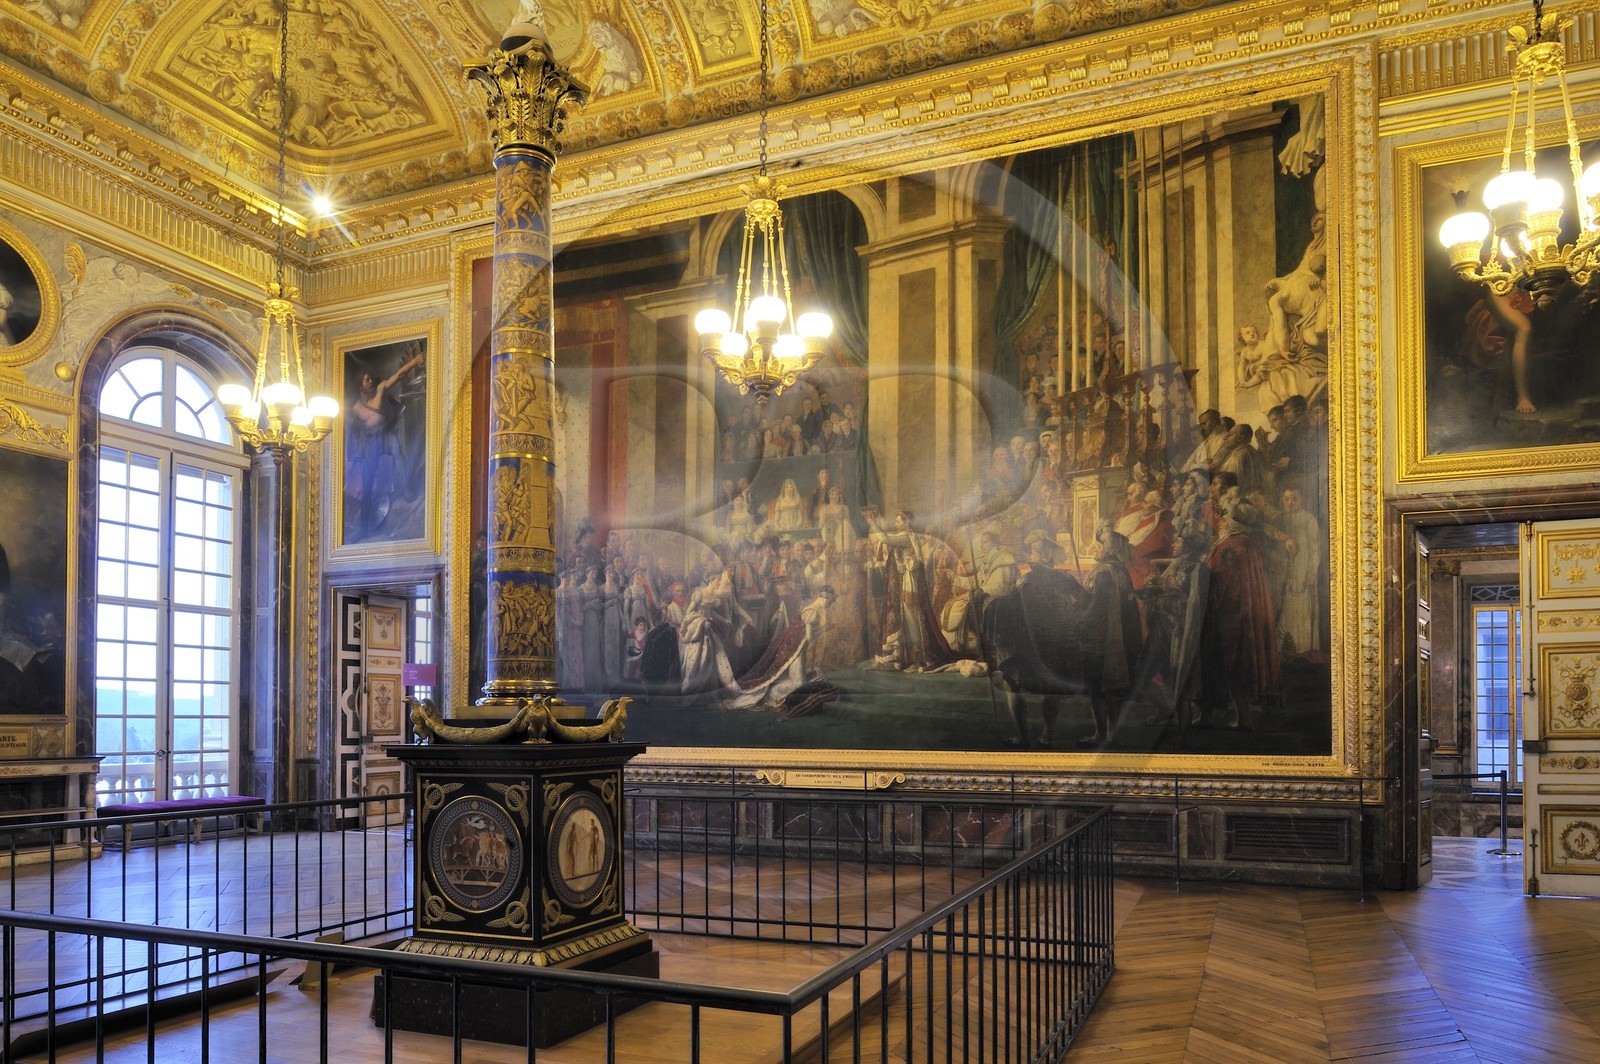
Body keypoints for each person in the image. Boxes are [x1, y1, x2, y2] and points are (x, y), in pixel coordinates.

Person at [345, 343, 426, 543]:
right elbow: (356, 431)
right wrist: (355, 451)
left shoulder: (380, 390)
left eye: (369, 378)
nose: (370, 381)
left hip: (387, 436)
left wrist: (415, 361)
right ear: (360, 385)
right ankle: (364, 527)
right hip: (372, 441)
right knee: (367, 479)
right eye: (366, 380)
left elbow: (397, 376)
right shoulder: (356, 408)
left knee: (398, 454)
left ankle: (407, 490)